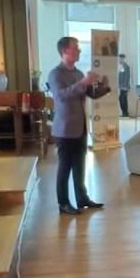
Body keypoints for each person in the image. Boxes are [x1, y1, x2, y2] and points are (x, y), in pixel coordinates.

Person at [47, 36, 109, 215]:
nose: (79, 51)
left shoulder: (78, 73)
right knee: (64, 167)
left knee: (80, 166)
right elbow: (61, 96)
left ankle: (82, 198)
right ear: (65, 51)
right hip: (65, 129)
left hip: (80, 127)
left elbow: (90, 94)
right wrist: (83, 83)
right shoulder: (55, 74)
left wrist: (104, 86)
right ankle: (63, 203)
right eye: (76, 48)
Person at [117, 53, 132, 118]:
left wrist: (125, 86)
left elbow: (127, 77)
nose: (119, 60)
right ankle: (124, 112)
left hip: (125, 86)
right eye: (119, 59)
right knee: (122, 99)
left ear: (123, 59)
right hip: (121, 86)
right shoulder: (121, 67)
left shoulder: (126, 66)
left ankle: (125, 113)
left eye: (120, 59)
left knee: (123, 99)